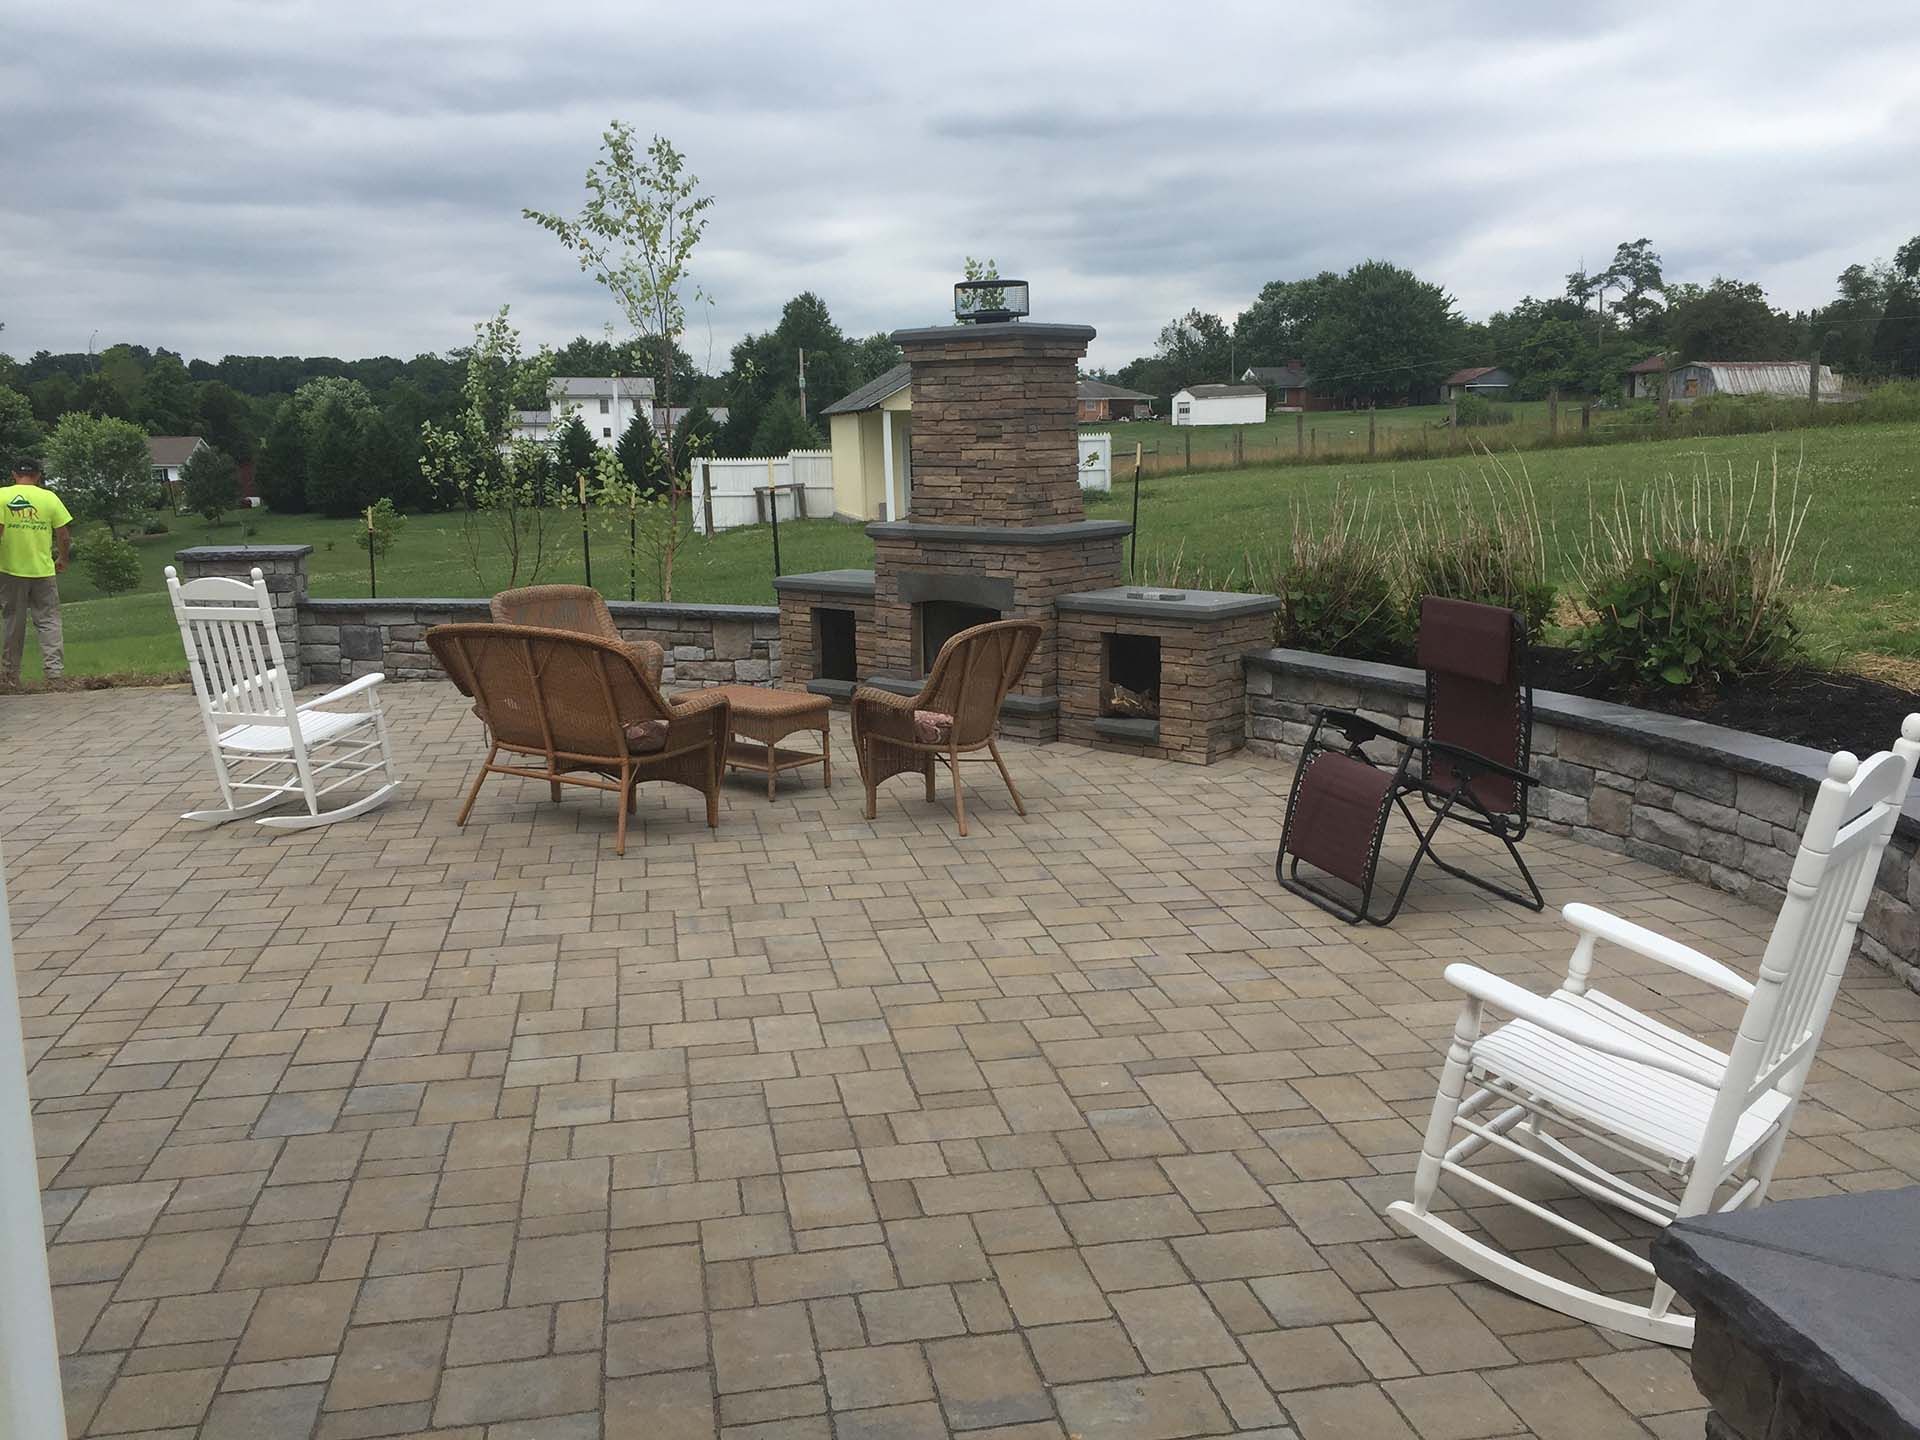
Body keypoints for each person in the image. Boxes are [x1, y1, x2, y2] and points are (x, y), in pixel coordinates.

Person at [0, 457, 73, 687]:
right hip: (43, 571)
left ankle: (10, 677)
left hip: (10, 570)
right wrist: (62, 558)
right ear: (38, 476)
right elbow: (64, 535)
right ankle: (54, 674)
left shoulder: (2, 496)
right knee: (49, 620)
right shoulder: (49, 498)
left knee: (14, 622)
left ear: (14, 474)